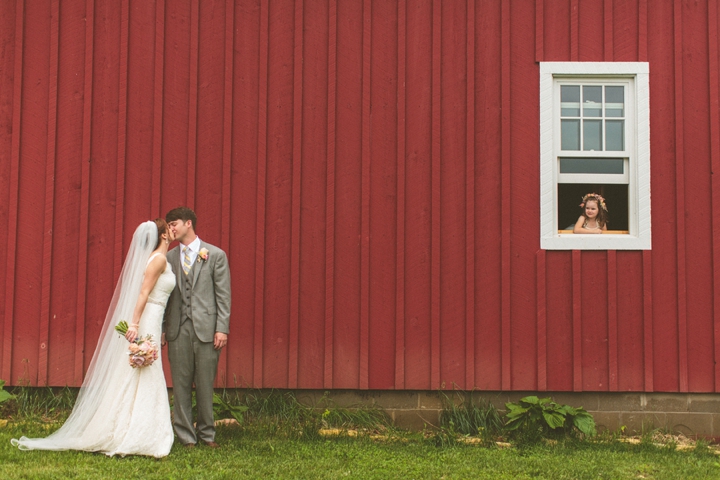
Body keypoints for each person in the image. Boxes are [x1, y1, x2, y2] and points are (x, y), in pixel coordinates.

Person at [11, 220, 176, 458]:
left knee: (140, 371)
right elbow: (143, 292)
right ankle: (138, 432)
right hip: (148, 318)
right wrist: (136, 323)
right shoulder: (159, 260)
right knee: (146, 369)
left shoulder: (156, 259)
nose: (173, 230)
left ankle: (132, 425)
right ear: (162, 235)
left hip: (154, 317)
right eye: (169, 228)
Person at [163, 207, 231, 448]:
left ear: (188, 223)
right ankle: (185, 436)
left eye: (174, 224)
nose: (171, 228)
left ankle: (207, 434)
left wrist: (222, 328)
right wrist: (163, 328)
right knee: (180, 384)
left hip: (207, 329)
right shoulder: (168, 258)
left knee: (204, 384)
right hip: (177, 329)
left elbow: (223, 296)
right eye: (168, 224)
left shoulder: (215, 255)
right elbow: (165, 297)